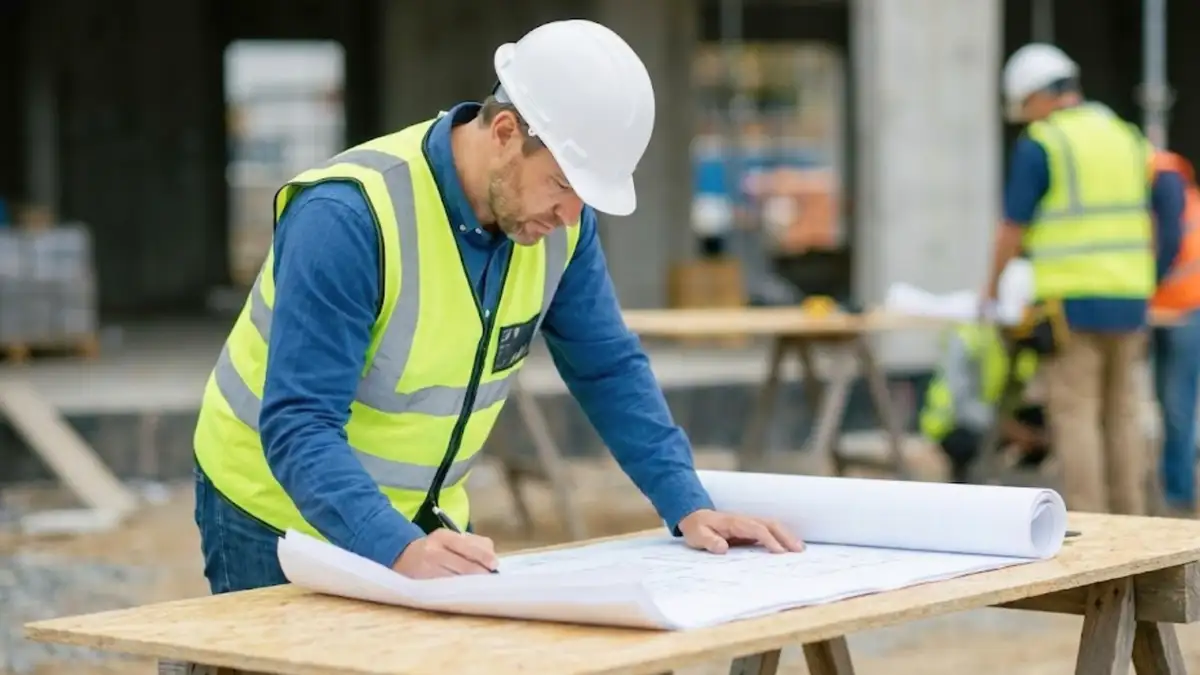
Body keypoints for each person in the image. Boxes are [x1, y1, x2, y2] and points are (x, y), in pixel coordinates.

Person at [191, 19, 804, 592]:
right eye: (564, 184)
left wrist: (687, 501)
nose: (572, 215)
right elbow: (300, 425)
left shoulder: (559, 227)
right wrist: (397, 548)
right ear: (506, 133)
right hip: (269, 512)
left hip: (416, 519)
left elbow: (608, 366)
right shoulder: (348, 218)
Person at [982, 44, 1184, 515]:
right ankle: (1131, 522)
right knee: (1122, 413)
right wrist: (1150, 274)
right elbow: (1167, 208)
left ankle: (1093, 524)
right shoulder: (1127, 136)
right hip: (1131, 298)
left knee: (1075, 414)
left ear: (1036, 96)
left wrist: (991, 287)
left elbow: (1013, 227)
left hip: (1071, 303)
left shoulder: (1046, 141)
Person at [920, 320, 1048, 483]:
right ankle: (967, 483)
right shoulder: (969, 338)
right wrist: (1006, 427)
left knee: (1040, 422)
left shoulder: (1023, 344)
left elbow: (1021, 392)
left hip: (993, 416)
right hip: (951, 424)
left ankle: (1020, 485)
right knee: (967, 441)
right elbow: (962, 403)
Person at [1149, 150, 1200, 517]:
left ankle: (1178, 493)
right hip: (1166, 313)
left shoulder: (1166, 206)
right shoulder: (1189, 202)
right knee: (1171, 404)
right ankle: (1174, 489)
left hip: (1182, 313)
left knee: (1176, 405)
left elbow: (1166, 254)